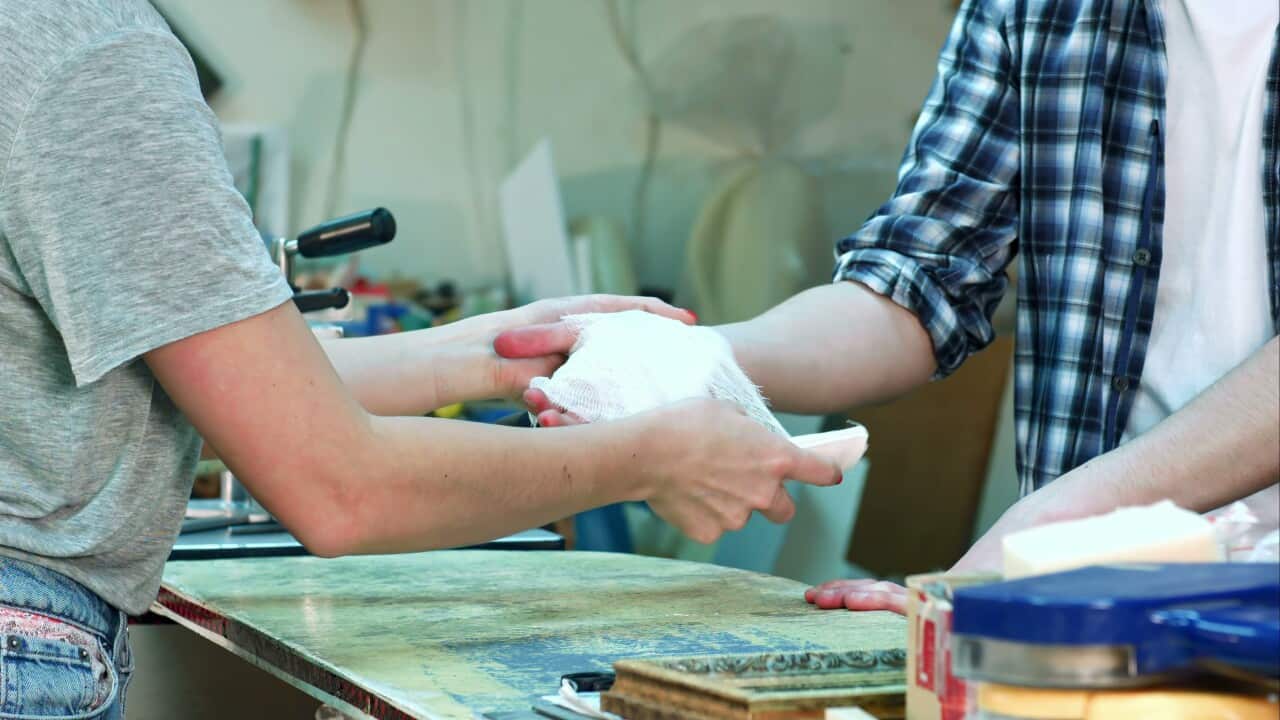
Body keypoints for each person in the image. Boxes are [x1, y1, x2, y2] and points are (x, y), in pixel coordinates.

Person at [0, 1, 843, 715]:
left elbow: (215, 382)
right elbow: (338, 487)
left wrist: (487, 353)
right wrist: (661, 457)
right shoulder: (89, 51)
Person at [511, 0, 1280, 614]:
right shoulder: (1037, 10)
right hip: (1086, 601)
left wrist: (1051, 525)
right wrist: (689, 360)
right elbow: (921, 278)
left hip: (1085, 558)